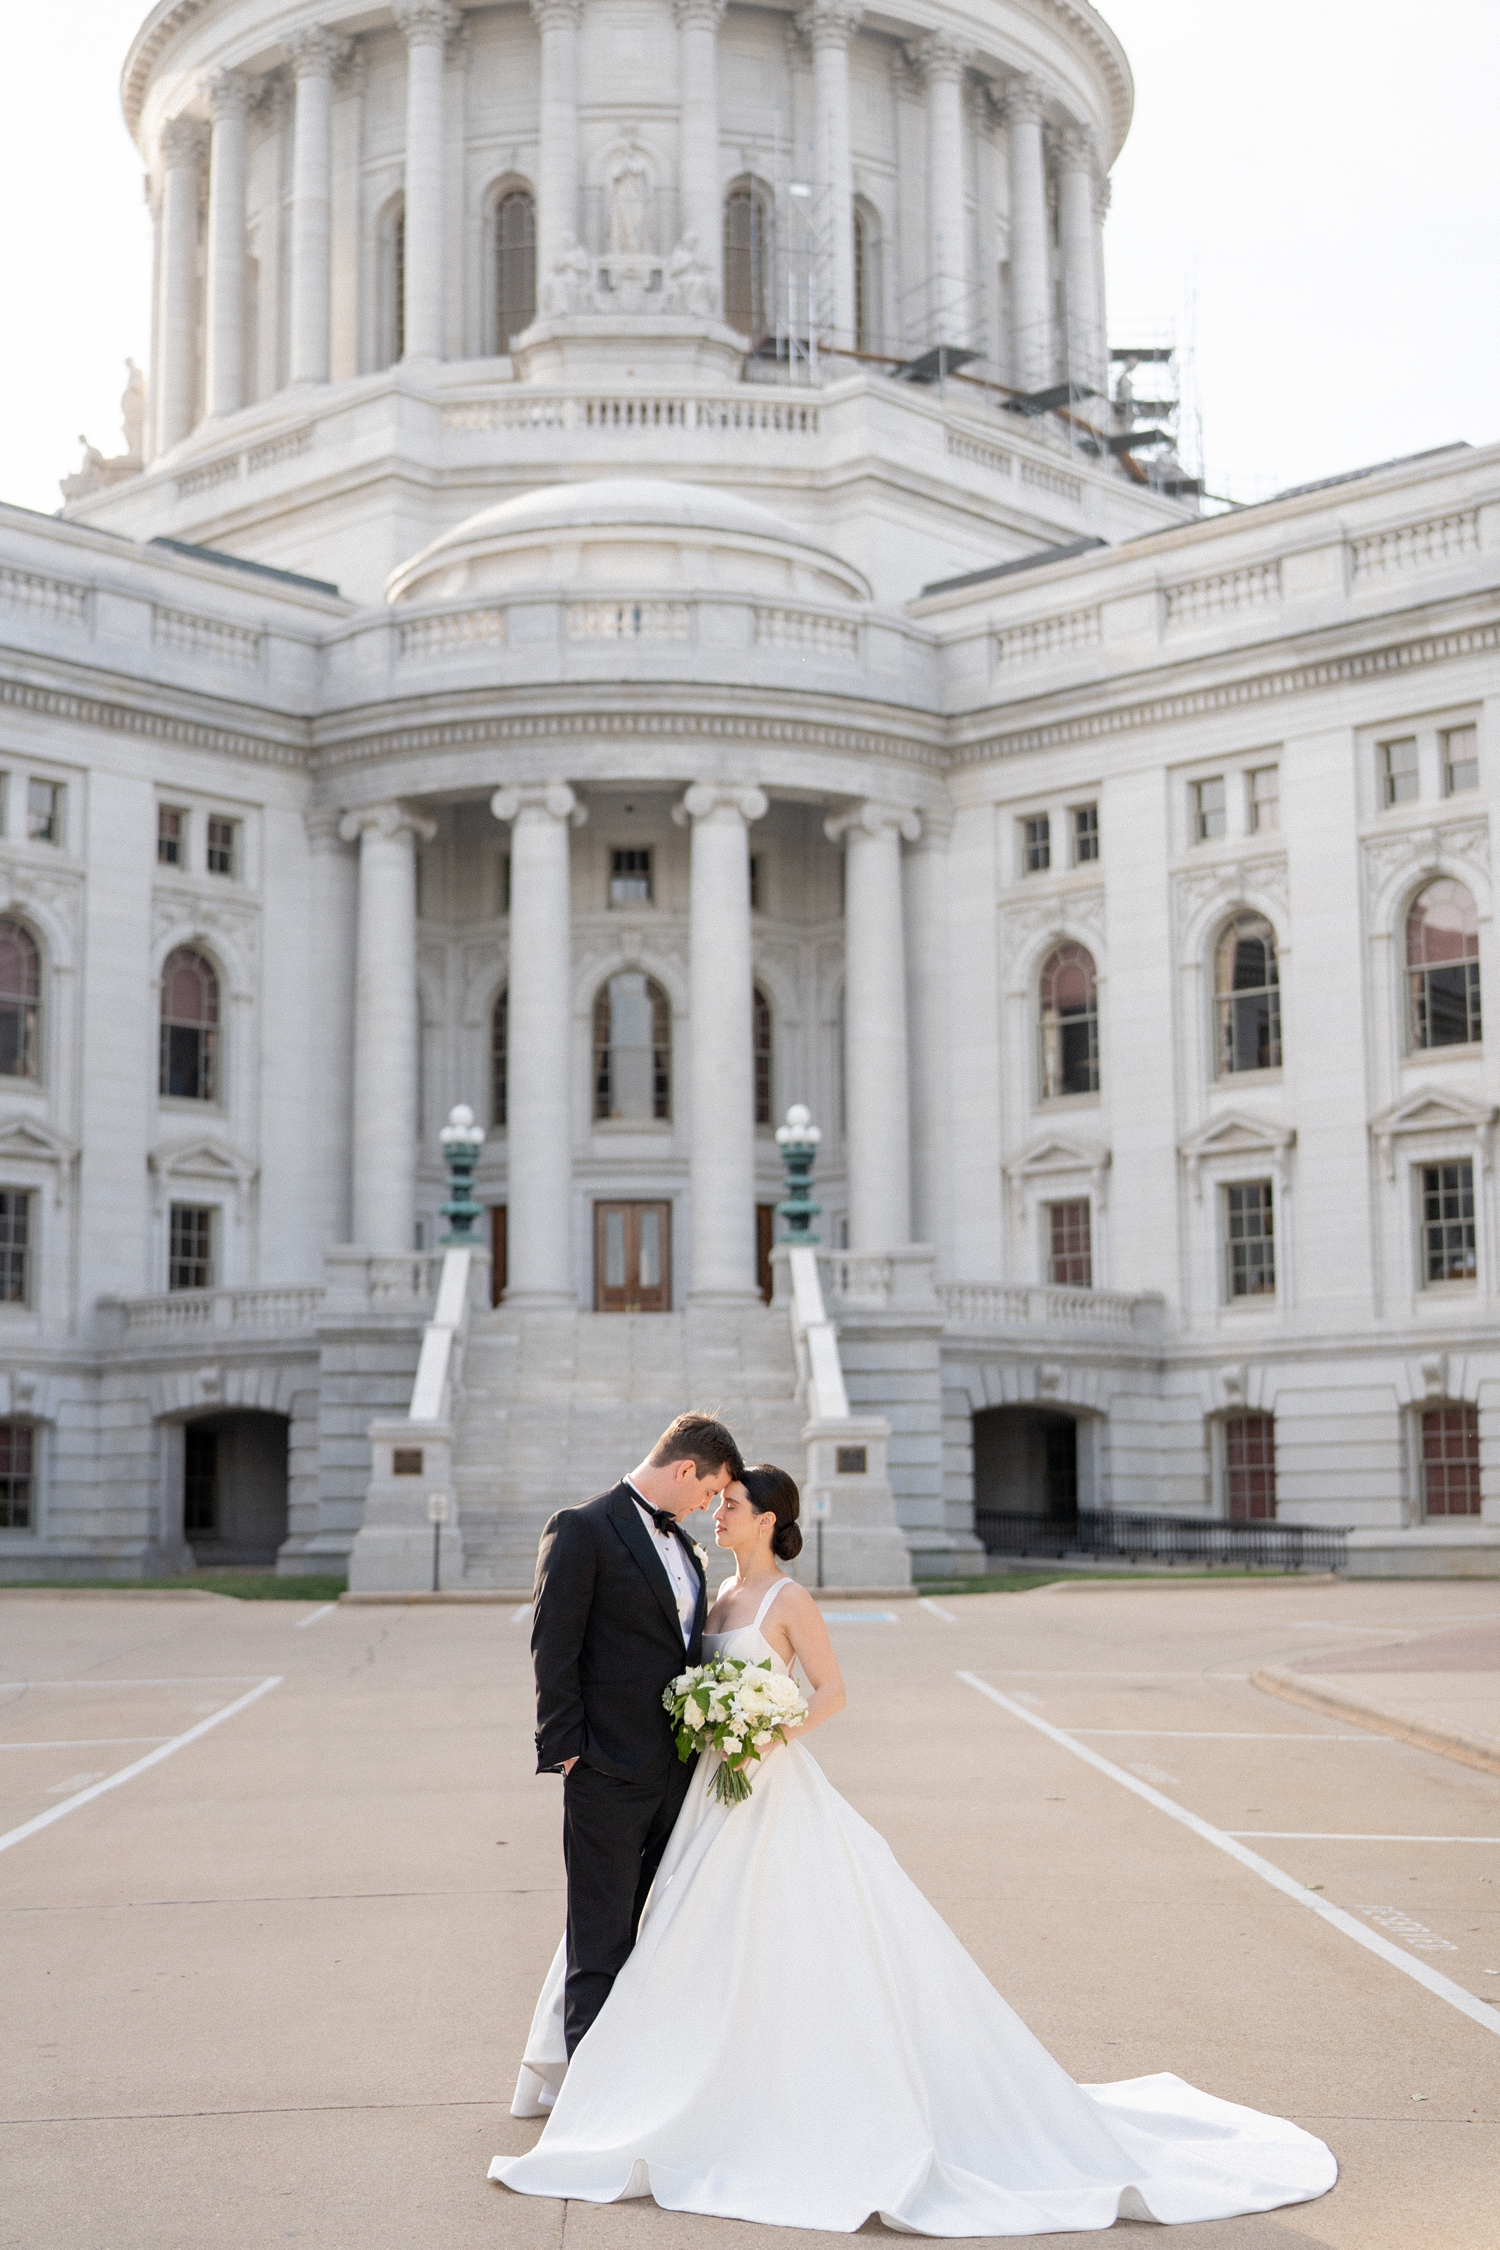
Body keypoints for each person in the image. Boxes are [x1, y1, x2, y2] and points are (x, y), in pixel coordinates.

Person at [494, 1461, 1338, 2235]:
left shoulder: (788, 1600)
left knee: (788, 1940)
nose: (718, 1512)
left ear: (769, 1519)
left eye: (733, 1504)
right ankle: (666, 2083)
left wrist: (764, 1732)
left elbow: (831, 1692)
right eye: (716, 1501)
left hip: (766, 1786)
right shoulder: (713, 1595)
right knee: (686, 1939)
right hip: (702, 1802)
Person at [525, 1411, 743, 2069]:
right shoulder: (584, 1529)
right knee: (598, 1943)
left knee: (657, 1942)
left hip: (675, 1776)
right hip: (605, 1775)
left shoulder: (683, 1547)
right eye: (709, 1492)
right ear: (685, 1470)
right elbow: (552, 1644)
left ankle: (632, 2084)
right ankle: (586, 2112)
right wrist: (568, 1752)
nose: (709, 1506)